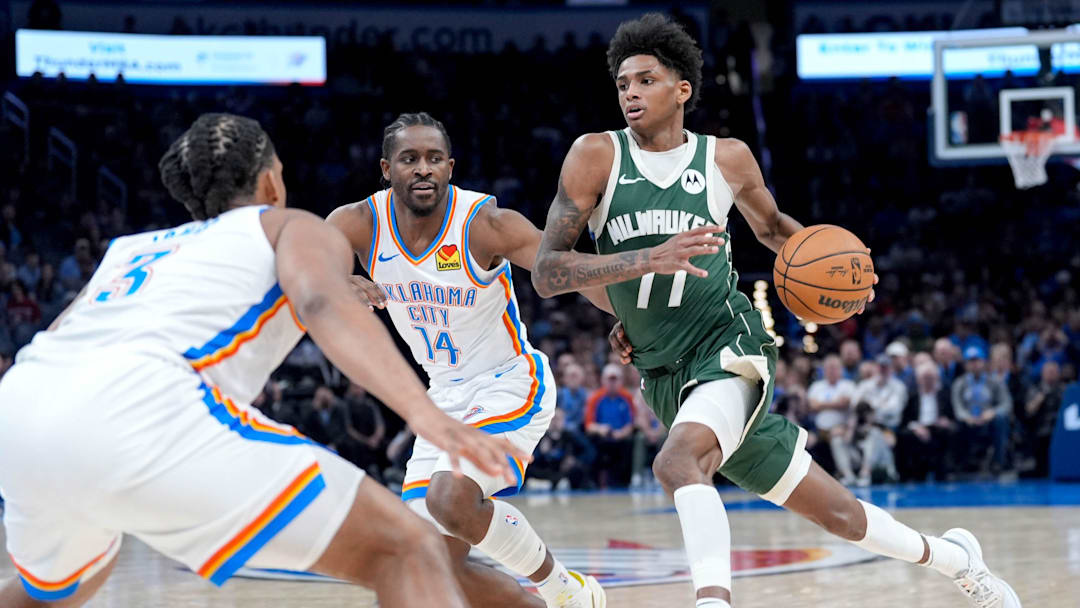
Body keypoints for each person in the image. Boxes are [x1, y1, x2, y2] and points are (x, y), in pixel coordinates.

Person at [531, 14, 1020, 608]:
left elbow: (773, 231)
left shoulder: (726, 159)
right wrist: (642, 266)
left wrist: (846, 276)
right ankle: (959, 560)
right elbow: (550, 271)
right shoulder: (595, 155)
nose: (630, 93)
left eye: (645, 80)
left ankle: (713, 601)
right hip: (662, 373)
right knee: (839, 514)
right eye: (623, 83)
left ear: (682, 89)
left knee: (679, 463)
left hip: (728, 349)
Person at [0, 113, 529, 608]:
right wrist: (427, 416)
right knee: (411, 548)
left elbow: (54, 338)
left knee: (56, 591)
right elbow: (323, 303)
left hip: (22, 412)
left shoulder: (133, 249)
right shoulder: (287, 226)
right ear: (271, 183)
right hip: (142, 406)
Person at [327, 112, 607, 608]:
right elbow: (300, 269)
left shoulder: (484, 223)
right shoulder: (357, 223)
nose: (423, 169)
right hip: (442, 397)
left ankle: (563, 588)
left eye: (434, 158)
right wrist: (337, 281)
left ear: (450, 167)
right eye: (409, 159)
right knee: (425, 561)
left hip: (508, 381)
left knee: (450, 497)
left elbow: (565, 269)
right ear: (386, 168)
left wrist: (627, 319)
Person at [952, 345, 1013, 475]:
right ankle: (961, 464)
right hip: (968, 421)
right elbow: (957, 407)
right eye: (970, 361)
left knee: (1001, 420)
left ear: (983, 362)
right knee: (955, 426)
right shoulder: (959, 383)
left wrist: (993, 412)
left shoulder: (995, 381)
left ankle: (998, 462)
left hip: (988, 420)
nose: (974, 364)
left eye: (977, 360)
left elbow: (1006, 403)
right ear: (966, 364)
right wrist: (966, 416)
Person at [897, 362, 956, 481]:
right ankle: (913, 473)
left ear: (936, 378)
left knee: (950, 432)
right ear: (918, 379)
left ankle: (945, 472)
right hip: (918, 428)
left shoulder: (944, 395)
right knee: (905, 435)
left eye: (931, 378)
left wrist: (946, 421)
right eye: (925, 378)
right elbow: (905, 420)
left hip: (937, 428)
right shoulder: (912, 396)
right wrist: (916, 427)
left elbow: (952, 417)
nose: (928, 381)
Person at [585, 363, 637, 488]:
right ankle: (596, 482)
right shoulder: (595, 398)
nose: (612, 383)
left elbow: (632, 422)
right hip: (602, 436)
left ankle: (626, 481)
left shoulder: (627, 397)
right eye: (609, 380)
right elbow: (589, 425)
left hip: (621, 436)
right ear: (603, 380)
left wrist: (623, 433)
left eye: (615, 380)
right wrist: (600, 429)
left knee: (629, 444)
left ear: (621, 381)